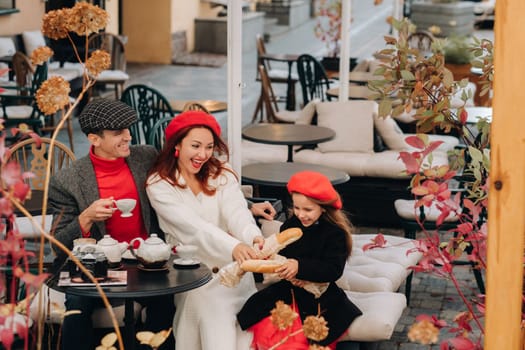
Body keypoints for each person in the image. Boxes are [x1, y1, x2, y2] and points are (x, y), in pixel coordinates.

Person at [48, 98, 175, 350]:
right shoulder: (67, 180)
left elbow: (184, 184)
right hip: (99, 269)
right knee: (77, 304)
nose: (128, 136)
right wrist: (86, 217)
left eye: (128, 129)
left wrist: (248, 205)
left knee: (165, 301)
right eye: (118, 133)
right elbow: (57, 244)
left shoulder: (145, 157)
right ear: (95, 139)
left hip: (146, 261)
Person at [145, 110, 265, 349]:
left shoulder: (222, 172)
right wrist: (234, 246)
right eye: (196, 146)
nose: (203, 154)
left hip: (235, 271)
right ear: (176, 144)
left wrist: (253, 237)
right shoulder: (158, 184)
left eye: (209, 147)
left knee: (246, 336)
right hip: (191, 275)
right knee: (215, 318)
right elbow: (194, 228)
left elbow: (237, 212)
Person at [237, 171, 363, 349]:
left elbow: (333, 269)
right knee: (262, 323)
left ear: (323, 207)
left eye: (308, 210)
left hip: (318, 297)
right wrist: (279, 263)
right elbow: (284, 254)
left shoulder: (335, 234)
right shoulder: (290, 225)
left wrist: (300, 267)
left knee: (303, 339)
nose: (301, 214)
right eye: (297, 208)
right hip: (288, 290)